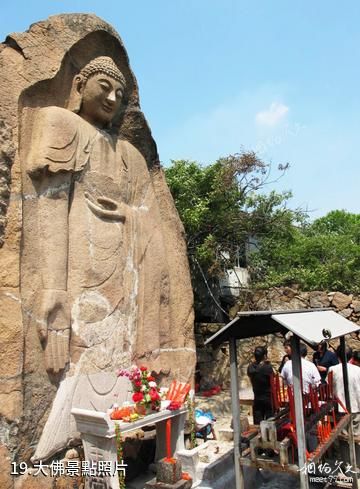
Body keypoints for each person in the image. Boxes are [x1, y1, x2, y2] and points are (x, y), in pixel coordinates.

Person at [26, 56, 173, 374]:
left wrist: (129, 215)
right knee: (80, 366)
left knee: (117, 369)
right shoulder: (60, 123)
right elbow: (51, 204)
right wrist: (54, 289)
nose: (111, 99)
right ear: (79, 85)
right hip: (81, 271)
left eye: (119, 95)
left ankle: (123, 414)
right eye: (104, 87)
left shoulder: (129, 155)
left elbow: (152, 222)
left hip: (125, 275)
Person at [327, 346, 360, 437]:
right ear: (351, 356)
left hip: (341, 407)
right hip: (356, 406)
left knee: (343, 437)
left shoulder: (332, 369)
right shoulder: (358, 370)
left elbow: (328, 387)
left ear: (337, 356)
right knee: (356, 436)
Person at [247, 346, 274, 424]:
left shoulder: (250, 367)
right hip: (268, 398)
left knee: (258, 423)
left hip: (257, 397)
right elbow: (272, 381)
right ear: (264, 356)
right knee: (270, 422)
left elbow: (251, 380)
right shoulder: (267, 368)